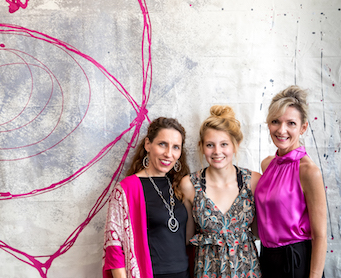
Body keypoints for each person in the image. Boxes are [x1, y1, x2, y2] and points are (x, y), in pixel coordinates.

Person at [102, 117, 192, 278]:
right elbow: (114, 247)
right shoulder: (126, 189)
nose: (168, 154)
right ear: (148, 145)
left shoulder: (181, 185)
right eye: (162, 144)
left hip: (183, 273)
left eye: (176, 147)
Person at [180, 105, 261, 278]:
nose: (217, 151)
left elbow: (258, 231)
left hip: (246, 270)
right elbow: (186, 238)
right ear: (201, 146)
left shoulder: (252, 181)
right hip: (207, 271)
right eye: (210, 145)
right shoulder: (189, 185)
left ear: (235, 145)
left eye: (224, 144)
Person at [255, 85, 327, 278]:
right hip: (267, 257)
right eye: (275, 121)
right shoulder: (267, 164)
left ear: (303, 127)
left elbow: (320, 236)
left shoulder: (308, 171)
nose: (281, 130)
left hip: (296, 261)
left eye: (291, 123)